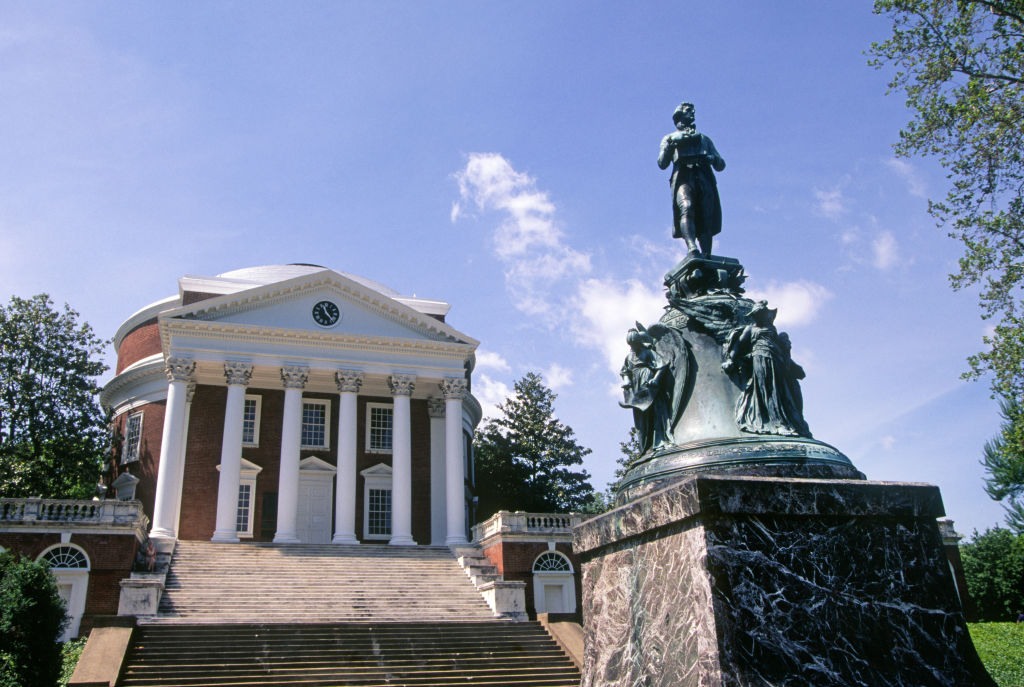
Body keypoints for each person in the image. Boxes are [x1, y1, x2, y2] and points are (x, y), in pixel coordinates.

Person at [722, 302, 811, 437]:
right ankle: (774, 422)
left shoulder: (772, 330)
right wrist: (731, 359)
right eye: (760, 315)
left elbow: (779, 348)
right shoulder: (750, 330)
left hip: (776, 361)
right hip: (761, 360)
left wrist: (791, 364)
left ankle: (783, 421)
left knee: (779, 392)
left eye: (765, 315)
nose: (764, 318)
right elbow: (738, 345)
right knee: (768, 390)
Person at [658, 102, 726, 256]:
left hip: (703, 177)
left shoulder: (704, 139)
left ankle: (707, 255)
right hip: (683, 177)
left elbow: (721, 164)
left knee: (706, 217)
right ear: (679, 115)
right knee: (687, 207)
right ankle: (692, 247)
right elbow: (662, 163)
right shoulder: (670, 138)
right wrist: (670, 147)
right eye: (689, 110)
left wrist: (711, 158)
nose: (693, 112)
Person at [620, 327, 674, 455]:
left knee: (655, 413)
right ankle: (646, 447)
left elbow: (662, 366)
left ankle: (660, 441)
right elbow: (625, 371)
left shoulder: (648, 352)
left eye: (635, 344)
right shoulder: (629, 357)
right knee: (641, 417)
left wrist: (655, 379)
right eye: (631, 345)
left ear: (639, 342)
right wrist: (627, 380)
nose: (633, 347)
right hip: (637, 388)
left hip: (649, 386)